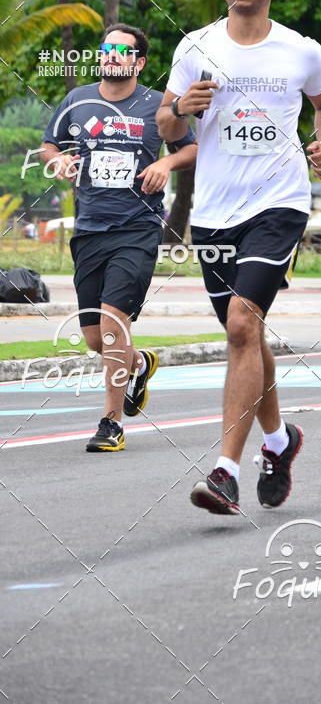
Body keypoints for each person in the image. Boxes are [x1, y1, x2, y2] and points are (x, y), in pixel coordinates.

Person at [157, 0, 321, 515]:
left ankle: (224, 471)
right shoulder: (196, 46)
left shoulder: (300, 51)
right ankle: (281, 442)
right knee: (247, 336)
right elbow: (165, 124)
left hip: (278, 203)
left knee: (241, 324)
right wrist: (182, 108)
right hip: (213, 212)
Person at [40, 23, 197, 452]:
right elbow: (49, 145)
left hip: (138, 227)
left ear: (138, 61)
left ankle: (110, 423)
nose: (110, 55)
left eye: (120, 50)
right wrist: (58, 163)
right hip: (89, 228)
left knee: (113, 322)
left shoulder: (155, 106)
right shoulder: (77, 100)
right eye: (106, 48)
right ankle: (140, 363)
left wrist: (166, 165)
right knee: (95, 337)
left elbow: (192, 147)